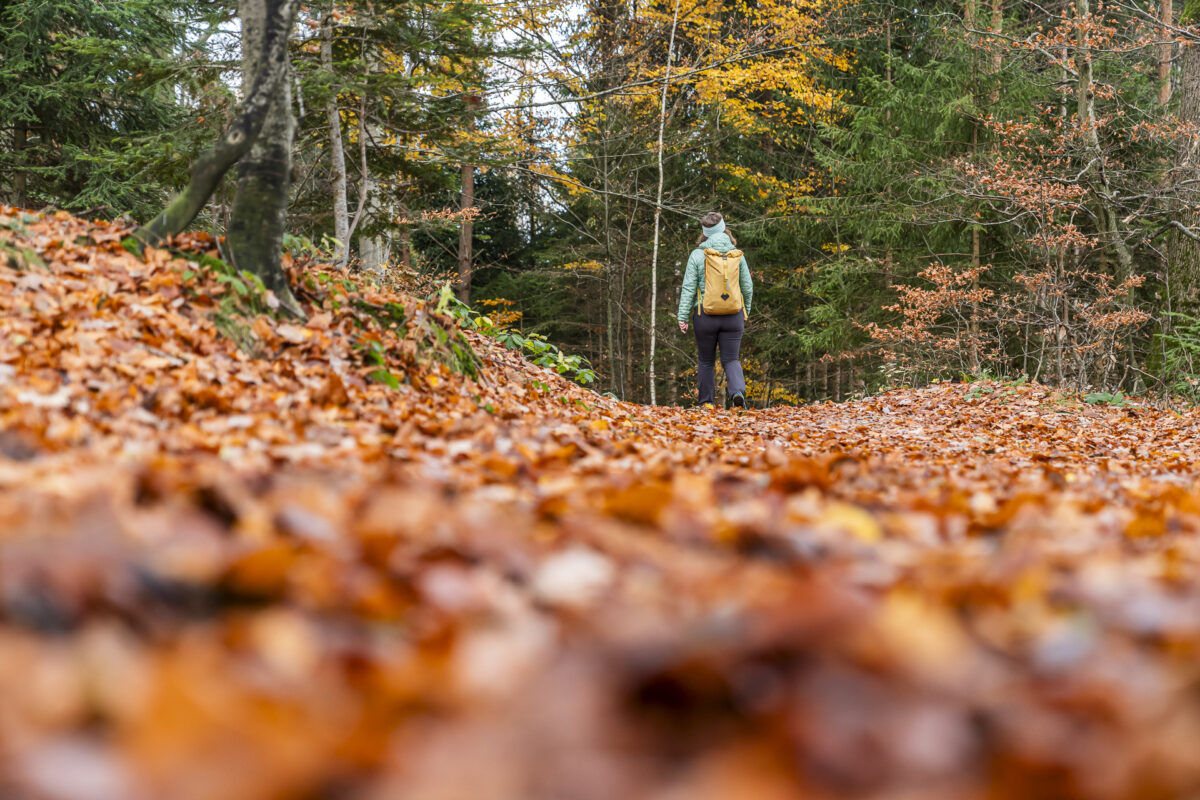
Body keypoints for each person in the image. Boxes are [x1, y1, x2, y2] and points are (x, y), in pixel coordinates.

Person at [677, 211, 753, 408]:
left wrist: (683, 316)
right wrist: (746, 311)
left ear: (705, 233)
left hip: (705, 316)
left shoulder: (697, 255)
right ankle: (737, 393)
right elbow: (747, 287)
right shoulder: (737, 255)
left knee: (706, 361)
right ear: (724, 230)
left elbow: (688, 288)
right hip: (733, 315)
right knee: (731, 359)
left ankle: (706, 404)